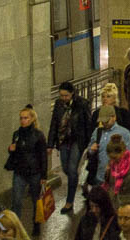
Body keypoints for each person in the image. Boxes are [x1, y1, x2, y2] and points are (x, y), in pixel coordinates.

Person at [47, 82, 89, 214]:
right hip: (63, 140)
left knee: (71, 169)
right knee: (66, 168)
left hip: (77, 140)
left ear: (72, 93)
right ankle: (82, 182)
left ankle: (69, 202)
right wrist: (50, 144)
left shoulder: (82, 104)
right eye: (61, 95)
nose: (63, 98)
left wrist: (88, 142)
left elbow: (87, 123)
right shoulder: (59, 105)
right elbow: (54, 124)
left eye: (66, 95)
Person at [4, 106, 47, 236]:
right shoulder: (17, 134)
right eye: (21, 118)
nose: (23, 121)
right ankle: (15, 227)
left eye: (26, 118)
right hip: (19, 172)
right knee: (16, 201)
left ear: (32, 119)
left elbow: (43, 157)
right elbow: (15, 153)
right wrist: (11, 149)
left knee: (36, 201)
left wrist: (43, 176)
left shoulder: (38, 135)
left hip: (34, 172)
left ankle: (36, 224)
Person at [88, 106, 130, 186]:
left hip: (117, 179)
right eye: (102, 121)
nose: (104, 123)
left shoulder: (124, 133)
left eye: (106, 121)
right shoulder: (97, 131)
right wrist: (91, 149)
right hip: (100, 178)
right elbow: (89, 148)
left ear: (114, 117)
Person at [104, 136, 130, 216]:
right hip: (114, 206)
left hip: (129, 207)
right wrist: (107, 172)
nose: (113, 160)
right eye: (110, 158)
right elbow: (109, 184)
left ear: (123, 152)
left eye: (115, 157)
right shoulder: (112, 164)